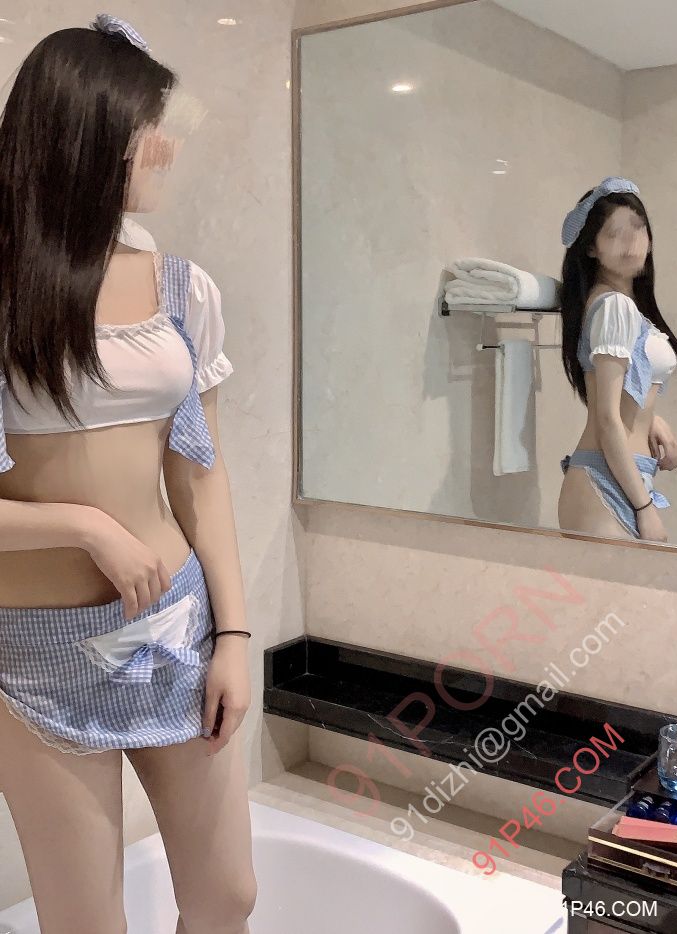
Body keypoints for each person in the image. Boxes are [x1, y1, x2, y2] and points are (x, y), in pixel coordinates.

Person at [0, 15, 256, 934]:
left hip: (175, 627)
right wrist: (84, 527)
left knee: (227, 897)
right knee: (85, 924)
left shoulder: (184, 287)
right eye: (154, 125)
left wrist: (234, 634)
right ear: (94, 130)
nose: (168, 147)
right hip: (31, 657)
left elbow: (201, 476)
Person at [557, 176, 677, 543]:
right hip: (606, 485)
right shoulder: (614, 306)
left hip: (617, 477)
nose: (631, 241)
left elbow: (619, 395)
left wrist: (652, 419)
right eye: (615, 234)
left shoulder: (622, 307)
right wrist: (645, 508)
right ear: (592, 248)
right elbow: (606, 419)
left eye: (638, 228)